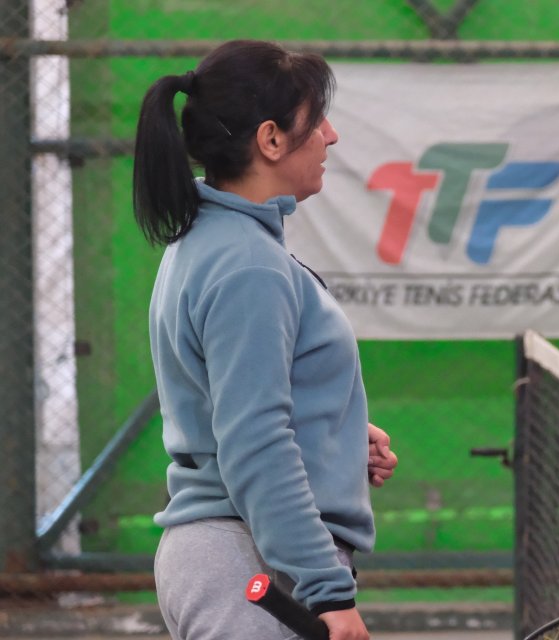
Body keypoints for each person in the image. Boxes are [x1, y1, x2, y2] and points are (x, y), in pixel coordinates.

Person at [136, 40, 394, 640]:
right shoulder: (247, 264)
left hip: (231, 559)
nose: (331, 136)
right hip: (249, 570)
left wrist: (337, 433)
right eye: (316, 121)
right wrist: (327, 590)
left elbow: (232, 404)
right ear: (271, 140)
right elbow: (254, 441)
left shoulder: (212, 241)